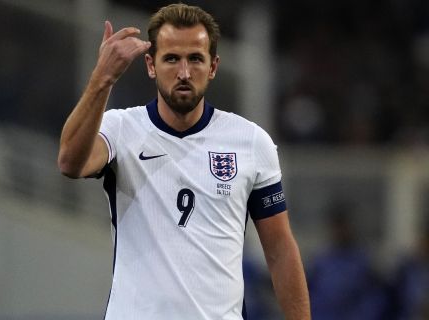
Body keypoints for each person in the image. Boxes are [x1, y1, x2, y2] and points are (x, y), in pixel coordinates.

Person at [58, 3, 310, 319]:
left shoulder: (251, 142)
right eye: (172, 59)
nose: (184, 72)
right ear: (150, 65)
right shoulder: (120, 129)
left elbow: (279, 251)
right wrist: (102, 80)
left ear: (214, 66)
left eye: (195, 59)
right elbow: (70, 162)